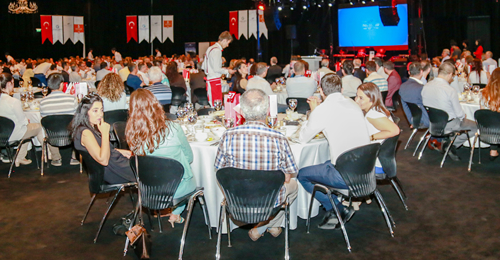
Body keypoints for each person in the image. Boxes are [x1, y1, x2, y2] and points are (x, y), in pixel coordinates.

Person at [214, 89, 299, 240]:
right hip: (270, 201)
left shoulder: (227, 136)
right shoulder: (279, 138)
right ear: (267, 110)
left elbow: (220, 170)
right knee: (294, 186)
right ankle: (269, 224)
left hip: (238, 199)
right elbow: (286, 178)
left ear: (241, 112)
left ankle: (263, 226)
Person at [297, 74, 369, 229]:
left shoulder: (323, 109)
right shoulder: (352, 103)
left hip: (344, 175)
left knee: (301, 174)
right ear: (341, 89)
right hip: (366, 169)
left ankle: (336, 208)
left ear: (321, 91)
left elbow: (303, 138)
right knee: (325, 163)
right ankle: (336, 204)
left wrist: (313, 111)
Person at [126, 89, 195, 227]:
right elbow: (189, 157)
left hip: (149, 189)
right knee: (189, 173)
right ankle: (177, 211)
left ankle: (170, 210)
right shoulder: (174, 128)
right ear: (156, 105)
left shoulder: (131, 134)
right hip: (178, 189)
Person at [71, 94, 135, 184]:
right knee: (151, 168)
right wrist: (105, 133)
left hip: (116, 165)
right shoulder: (85, 133)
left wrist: (125, 152)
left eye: (101, 110)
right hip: (115, 171)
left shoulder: (89, 128)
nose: (100, 114)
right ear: (85, 112)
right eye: (95, 111)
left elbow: (104, 150)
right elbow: (104, 160)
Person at [421, 62, 478, 161]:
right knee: (476, 126)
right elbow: (459, 115)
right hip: (449, 124)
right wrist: (463, 115)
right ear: (450, 74)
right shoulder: (449, 90)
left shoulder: (426, 86)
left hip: (433, 123)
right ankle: (451, 144)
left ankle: (447, 142)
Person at [0, 73, 42, 167]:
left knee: (28, 129)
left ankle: (20, 157)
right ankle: (49, 154)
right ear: (9, 84)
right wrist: (27, 120)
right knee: (39, 126)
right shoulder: (13, 102)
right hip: (14, 133)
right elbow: (23, 122)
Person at [38, 73, 79, 166]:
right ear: (61, 85)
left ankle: (56, 157)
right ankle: (74, 156)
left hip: (53, 134)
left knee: (49, 127)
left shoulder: (43, 102)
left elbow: (44, 120)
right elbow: (77, 117)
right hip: (69, 133)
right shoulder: (71, 99)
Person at [203, 31, 236, 106]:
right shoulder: (217, 51)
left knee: (213, 103)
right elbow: (216, 69)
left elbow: (204, 66)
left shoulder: (210, 48)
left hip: (210, 79)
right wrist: (228, 71)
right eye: (228, 43)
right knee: (216, 104)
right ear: (224, 40)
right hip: (214, 80)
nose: (227, 45)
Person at [399, 62, 430, 129]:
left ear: (409, 73)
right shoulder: (421, 88)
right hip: (424, 120)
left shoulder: (402, 87)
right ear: (421, 72)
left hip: (412, 119)